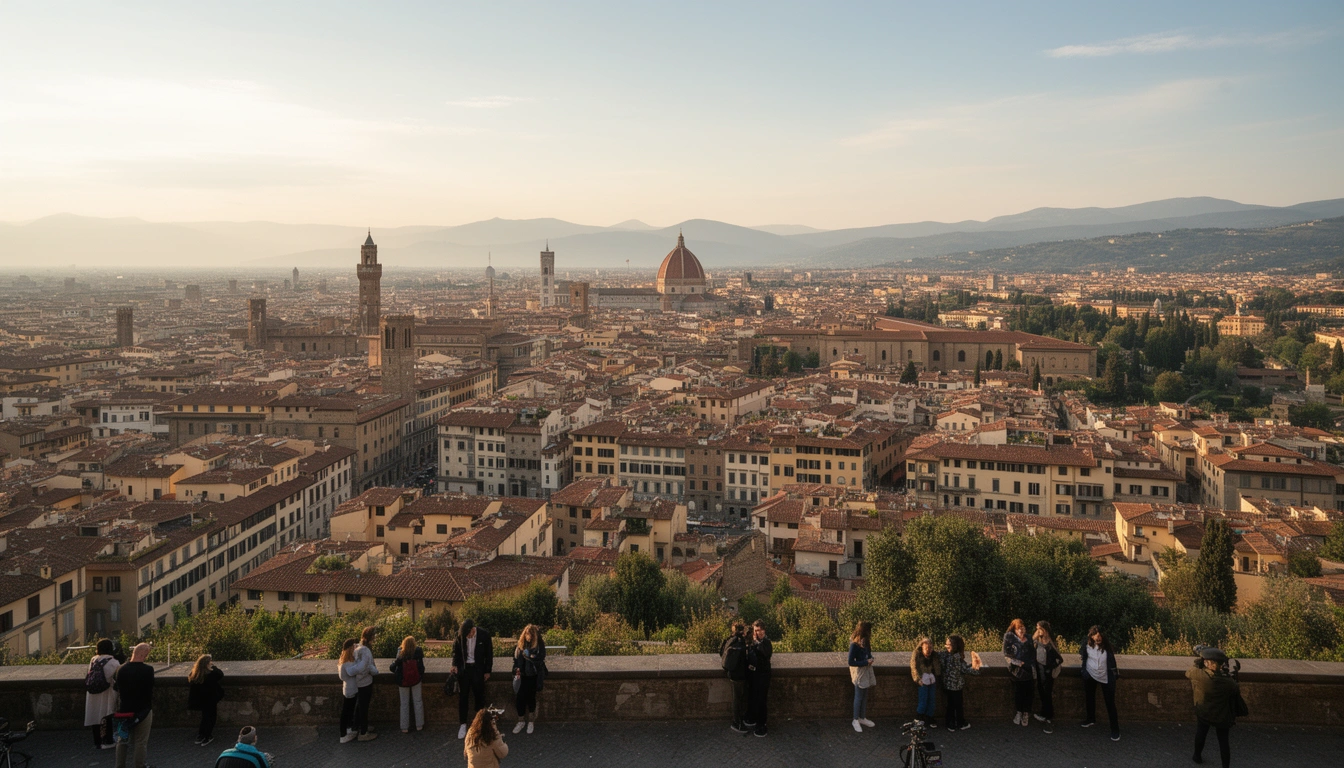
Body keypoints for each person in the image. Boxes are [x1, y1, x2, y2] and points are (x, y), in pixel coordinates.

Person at [1187, 646, 1242, 768]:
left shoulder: (1199, 675)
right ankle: (1225, 765)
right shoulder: (1228, 682)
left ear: (1207, 663)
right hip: (1222, 716)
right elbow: (1235, 689)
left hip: (1204, 712)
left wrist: (1198, 662)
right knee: (1223, 741)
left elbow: (1189, 672)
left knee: (1201, 733)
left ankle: (1197, 756)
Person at [113, 642, 155, 768]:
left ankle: (119, 765)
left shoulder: (120, 669)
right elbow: (150, 688)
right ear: (143, 655)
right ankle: (139, 765)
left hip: (124, 709)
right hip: (143, 709)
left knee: (122, 740)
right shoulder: (148, 670)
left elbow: (116, 688)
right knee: (141, 741)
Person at [451, 619, 494, 740]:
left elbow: (489, 654)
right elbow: (455, 652)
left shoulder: (484, 635)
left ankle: (479, 725)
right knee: (463, 697)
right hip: (464, 670)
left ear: (473, 629)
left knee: (479, 696)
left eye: (469, 634)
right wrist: (454, 665)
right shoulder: (460, 635)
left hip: (478, 669)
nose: (468, 637)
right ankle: (463, 724)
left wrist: (487, 671)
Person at [1079, 624, 1120, 741]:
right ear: (1091, 636)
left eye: (1100, 636)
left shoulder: (1107, 648)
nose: (1098, 638)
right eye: (1096, 636)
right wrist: (1084, 671)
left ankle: (1115, 729)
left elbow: (1112, 663)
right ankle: (1090, 719)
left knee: (1110, 703)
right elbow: (1084, 658)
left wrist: (1114, 676)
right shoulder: (1086, 646)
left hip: (1105, 677)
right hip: (1090, 674)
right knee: (1089, 698)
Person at [84, 638, 121, 750]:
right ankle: (108, 740)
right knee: (106, 715)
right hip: (107, 693)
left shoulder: (94, 660)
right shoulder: (113, 662)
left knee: (95, 716)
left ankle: (98, 742)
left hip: (93, 693)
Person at [939, 635, 981, 730]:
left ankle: (950, 723)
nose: (946, 646)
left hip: (947, 684)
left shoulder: (945, 655)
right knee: (958, 706)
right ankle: (960, 722)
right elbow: (964, 669)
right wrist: (977, 669)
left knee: (950, 705)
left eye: (948, 644)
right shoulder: (957, 657)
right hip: (956, 686)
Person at [511, 624, 547, 734]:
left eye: (531, 634)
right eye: (527, 634)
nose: (529, 637)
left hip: (533, 676)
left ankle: (531, 721)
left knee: (531, 698)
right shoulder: (520, 646)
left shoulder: (539, 646)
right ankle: (521, 721)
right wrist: (516, 669)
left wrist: (530, 656)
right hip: (522, 676)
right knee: (520, 699)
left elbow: (541, 659)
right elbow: (515, 661)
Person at [1003, 618, 1035, 727]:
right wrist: (1017, 662)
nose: (1021, 630)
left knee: (1029, 693)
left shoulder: (1029, 639)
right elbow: (1006, 654)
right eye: (1018, 628)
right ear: (1014, 630)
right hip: (1017, 671)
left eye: (1022, 628)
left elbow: (1033, 653)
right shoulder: (1010, 639)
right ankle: (1019, 712)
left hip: (1029, 670)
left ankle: (1026, 713)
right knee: (1018, 692)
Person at [1032, 621, 1064, 733]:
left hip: (1048, 672)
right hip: (1039, 670)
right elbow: (1030, 647)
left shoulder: (1050, 643)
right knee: (1041, 691)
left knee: (1047, 694)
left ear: (1044, 630)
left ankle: (1049, 717)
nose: (1038, 631)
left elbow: (1060, 659)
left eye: (1039, 629)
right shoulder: (1037, 641)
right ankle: (1043, 713)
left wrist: (1051, 667)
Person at [390, 635, 426, 734]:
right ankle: (419, 725)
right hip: (416, 680)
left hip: (403, 681)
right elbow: (422, 668)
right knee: (418, 702)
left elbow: (393, 668)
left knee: (404, 704)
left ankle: (404, 727)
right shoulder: (418, 652)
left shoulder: (401, 653)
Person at [187, 654, 225, 746]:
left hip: (200, 700)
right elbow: (220, 674)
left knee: (205, 717)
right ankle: (207, 736)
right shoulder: (211, 674)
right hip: (210, 700)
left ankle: (201, 735)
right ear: (208, 663)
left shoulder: (195, 674)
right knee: (211, 717)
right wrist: (214, 667)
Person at [720, 620, 750, 734]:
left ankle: (737, 721)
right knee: (738, 699)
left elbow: (721, 652)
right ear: (742, 631)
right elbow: (745, 658)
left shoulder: (729, 639)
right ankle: (737, 722)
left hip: (732, 673)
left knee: (736, 698)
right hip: (739, 675)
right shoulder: (741, 641)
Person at [745, 619, 773, 737]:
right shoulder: (752, 642)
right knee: (753, 697)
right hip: (753, 674)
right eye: (756, 630)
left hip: (763, 675)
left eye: (760, 630)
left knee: (761, 700)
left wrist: (756, 642)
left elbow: (766, 653)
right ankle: (752, 717)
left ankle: (762, 724)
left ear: (764, 631)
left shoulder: (766, 642)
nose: (758, 633)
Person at [848, 621, 876, 733]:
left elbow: (868, 654)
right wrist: (864, 662)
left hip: (866, 672)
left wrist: (871, 658)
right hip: (859, 673)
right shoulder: (854, 645)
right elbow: (851, 662)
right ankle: (855, 719)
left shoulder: (866, 642)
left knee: (864, 696)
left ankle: (862, 717)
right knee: (859, 696)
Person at [910, 637, 943, 728]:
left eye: (930, 648)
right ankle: (919, 717)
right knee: (923, 700)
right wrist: (917, 679)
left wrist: (938, 677)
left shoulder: (934, 656)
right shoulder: (917, 655)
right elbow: (914, 667)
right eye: (926, 648)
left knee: (932, 700)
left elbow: (937, 667)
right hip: (922, 681)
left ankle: (929, 717)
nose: (929, 651)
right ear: (922, 647)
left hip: (932, 680)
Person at [337, 638, 366, 744]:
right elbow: (352, 672)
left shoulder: (344, 661)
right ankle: (343, 734)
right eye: (354, 647)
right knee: (346, 712)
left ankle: (348, 729)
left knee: (349, 711)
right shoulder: (347, 663)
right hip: (350, 689)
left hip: (349, 689)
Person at [352, 626, 378, 741]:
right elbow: (367, 666)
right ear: (371, 637)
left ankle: (358, 727)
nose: (375, 638)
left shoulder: (357, 648)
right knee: (363, 707)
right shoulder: (366, 650)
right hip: (365, 682)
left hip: (357, 682)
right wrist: (375, 672)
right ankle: (363, 733)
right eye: (374, 636)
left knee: (359, 706)